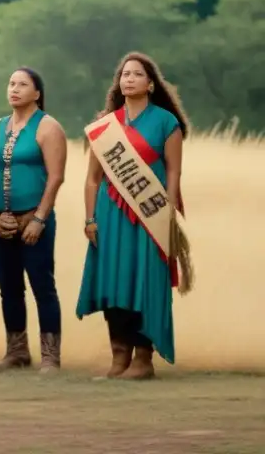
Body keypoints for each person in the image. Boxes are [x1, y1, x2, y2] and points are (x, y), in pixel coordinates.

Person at [77, 52, 193, 380]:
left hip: (150, 212)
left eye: (136, 74)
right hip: (110, 214)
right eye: (124, 74)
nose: (128, 79)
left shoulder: (165, 123)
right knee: (114, 281)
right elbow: (92, 179)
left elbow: (173, 172)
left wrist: (167, 212)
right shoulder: (105, 126)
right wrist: (90, 218)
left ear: (151, 83)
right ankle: (119, 358)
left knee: (145, 280)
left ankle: (143, 359)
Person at [0, 67, 67, 372]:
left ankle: (50, 356)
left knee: (43, 286)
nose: (14, 89)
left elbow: (56, 178)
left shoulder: (48, 127)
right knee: (9, 288)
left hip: (33, 220)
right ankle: (16, 351)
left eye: (23, 84)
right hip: (0, 223)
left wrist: (39, 219)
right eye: (11, 83)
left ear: (37, 93)